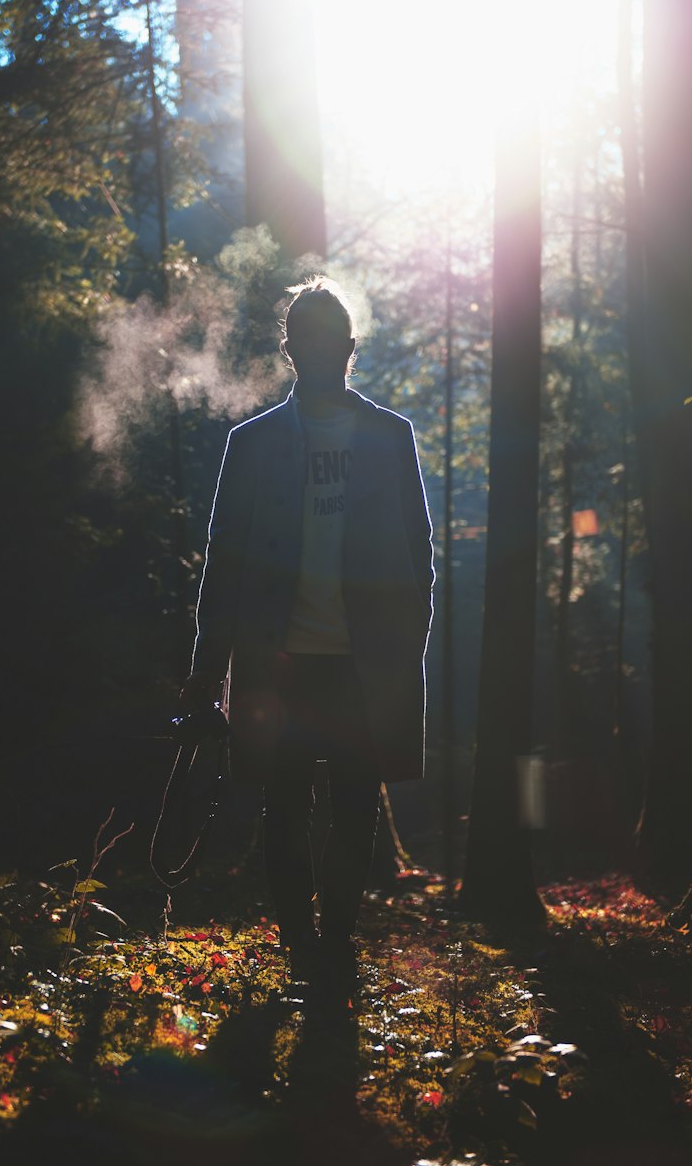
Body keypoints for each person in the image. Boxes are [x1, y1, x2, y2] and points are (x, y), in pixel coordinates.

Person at [180, 277, 434, 984]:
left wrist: (402, 645)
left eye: (331, 339)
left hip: (362, 665)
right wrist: (209, 665)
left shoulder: (390, 436)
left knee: (354, 809)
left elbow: (422, 553)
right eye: (306, 338)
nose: (319, 351)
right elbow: (224, 557)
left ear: (350, 349)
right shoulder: (253, 444)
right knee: (284, 807)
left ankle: (337, 942)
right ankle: (300, 945)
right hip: (279, 663)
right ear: (290, 349)